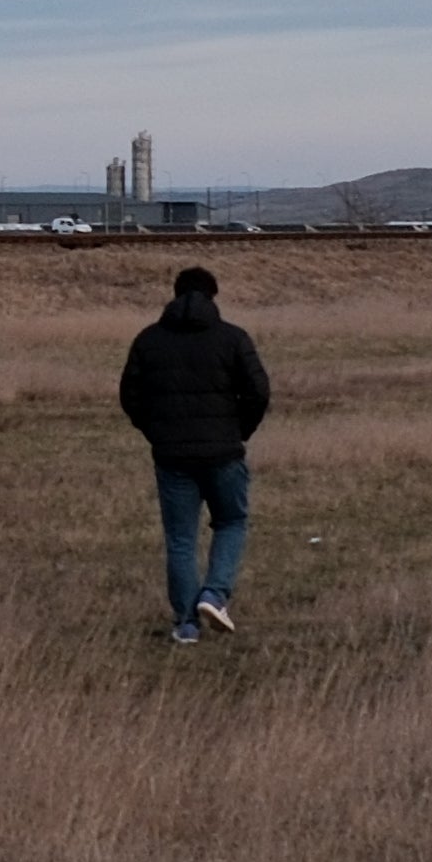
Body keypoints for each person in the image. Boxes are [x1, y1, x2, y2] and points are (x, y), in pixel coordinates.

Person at [116, 263, 272, 645]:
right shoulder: (233, 338)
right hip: (224, 452)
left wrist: (156, 433)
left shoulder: (148, 340)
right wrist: (240, 431)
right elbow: (259, 391)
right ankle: (214, 594)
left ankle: (186, 623)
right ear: (213, 296)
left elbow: (130, 396)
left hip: (171, 457)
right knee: (232, 522)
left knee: (181, 539)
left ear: (175, 294)